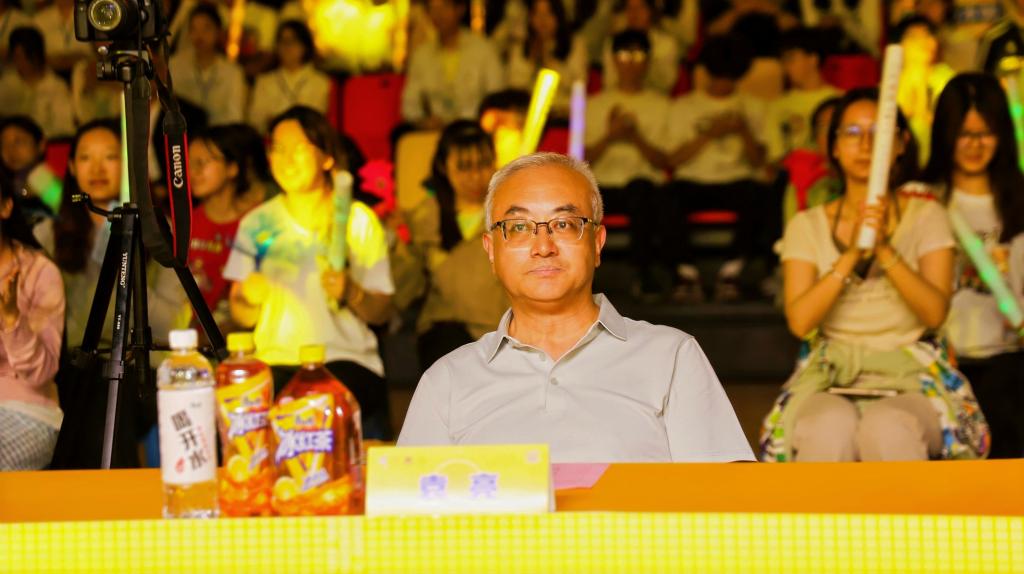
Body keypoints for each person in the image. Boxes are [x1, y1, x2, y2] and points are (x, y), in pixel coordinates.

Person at [397, 152, 754, 464]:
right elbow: (405, 508)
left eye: (564, 224)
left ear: (597, 243)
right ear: (491, 250)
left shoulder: (671, 356)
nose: (543, 246)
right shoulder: (447, 381)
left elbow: (725, 497)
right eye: (518, 227)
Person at [760, 88, 989, 463]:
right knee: (826, 429)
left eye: (878, 132)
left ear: (900, 144)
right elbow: (801, 321)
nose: (865, 144)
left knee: (889, 427)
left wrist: (884, 248)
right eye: (852, 132)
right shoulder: (806, 224)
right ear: (834, 146)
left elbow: (934, 313)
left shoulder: (926, 216)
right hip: (832, 375)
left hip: (911, 377)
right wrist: (852, 254)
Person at [223, 106, 395, 439]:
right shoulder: (257, 223)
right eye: (278, 149)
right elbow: (240, 315)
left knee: (313, 408)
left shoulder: (358, 221)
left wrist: (352, 292)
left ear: (327, 157)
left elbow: (382, 311)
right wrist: (248, 298)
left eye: (299, 148)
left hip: (345, 359)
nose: (286, 159)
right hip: (275, 361)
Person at [922, 73, 1024, 458]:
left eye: (986, 133)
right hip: (940, 364)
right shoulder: (921, 200)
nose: (975, 145)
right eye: (964, 134)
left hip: (1011, 360)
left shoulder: (1019, 202)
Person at [389, 121, 508, 372]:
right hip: (445, 328)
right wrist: (401, 244)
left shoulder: (511, 213)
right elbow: (405, 291)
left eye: (484, 164)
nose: (475, 176)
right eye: (464, 167)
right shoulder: (426, 217)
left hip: (498, 329)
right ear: (444, 167)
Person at [662, 33, 769, 303]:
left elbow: (759, 162)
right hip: (692, 180)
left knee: (759, 195)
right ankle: (686, 273)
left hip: (737, 180)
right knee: (666, 196)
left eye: (730, 78)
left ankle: (731, 272)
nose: (723, 84)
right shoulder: (684, 106)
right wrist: (709, 134)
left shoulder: (754, 106)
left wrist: (743, 130)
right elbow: (672, 160)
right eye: (719, 76)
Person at [584, 30, 669, 297]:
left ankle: (642, 275)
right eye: (623, 54)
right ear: (613, 60)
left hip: (642, 186)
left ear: (649, 60)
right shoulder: (593, 104)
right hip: (599, 186)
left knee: (642, 192)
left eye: (638, 55)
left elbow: (664, 160)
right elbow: (578, 159)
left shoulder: (662, 104)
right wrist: (610, 136)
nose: (630, 62)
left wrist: (634, 136)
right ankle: (582, 281)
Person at [33, 119, 121, 349]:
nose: (97, 169)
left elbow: (169, 319)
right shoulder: (47, 233)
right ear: (72, 166)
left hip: (138, 360)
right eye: (85, 157)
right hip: (70, 360)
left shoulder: (156, 229)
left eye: (110, 157)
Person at [0, 173, 65, 470]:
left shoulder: (39, 272)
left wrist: (12, 319)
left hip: (26, 411)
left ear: (6, 207)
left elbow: (42, 372)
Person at [187, 125, 269, 330]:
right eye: (189, 163)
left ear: (232, 167)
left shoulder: (257, 222)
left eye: (202, 162)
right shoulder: (186, 222)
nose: (193, 172)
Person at [400, 0, 504, 127]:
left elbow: (497, 99)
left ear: (460, 9)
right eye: (432, 9)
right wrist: (424, 121)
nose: (438, 14)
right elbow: (410, 104)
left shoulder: (484, 50)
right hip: (433, 132)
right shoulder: (421, 56)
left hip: (475, 131)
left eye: (444, 7)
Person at [765, 27, 841, 163]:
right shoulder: (778, 105)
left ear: (813, 58)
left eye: (790, 59)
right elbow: (775, 157)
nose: (786, 67)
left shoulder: (839, 99)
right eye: (783, 61)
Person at [167, 4, 248, 126]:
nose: (199, 36)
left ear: (218, 32)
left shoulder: (233, 74)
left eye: (206, 29)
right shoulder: (175, 65)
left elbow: (235, 118)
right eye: (194, 29)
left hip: (217, 134)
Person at [505, 0, 588, 117]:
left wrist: (551, 61)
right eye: (537, 14)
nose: (542, 20)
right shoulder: (521, 46)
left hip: (563, 111)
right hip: (529, 111)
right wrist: (531, 60)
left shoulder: (574, 44)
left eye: (548, 14)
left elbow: (579, 84)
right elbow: (514, 84)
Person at [247, 20, 331, 134]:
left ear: (305, 46)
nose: (287, 47)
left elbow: (317, 119)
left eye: (293, 41)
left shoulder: (321, 83)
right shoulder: (265, 81)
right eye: (282, 41)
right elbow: (255, 120)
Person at [893, 15, 954, 166]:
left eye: (928, 35)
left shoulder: (947, 79)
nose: (924, 42)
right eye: (915, 37)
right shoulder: (892, 84)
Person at [0, 27, 75, 138]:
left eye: (25, 57)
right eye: (17, 57)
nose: (20, 63)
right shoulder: (6, 84)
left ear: (36, 56)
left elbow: (64, 128)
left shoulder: (57, 87)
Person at [600, 0, 679, 94]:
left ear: (651, 11)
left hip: (654, 99)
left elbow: (667, 82)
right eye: (630, 8)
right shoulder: (612, 43)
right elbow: (609, 81)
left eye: (640, 8)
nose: (634, 14)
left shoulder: (666, 44)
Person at [0, 115, 61, 217]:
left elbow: (66, 207)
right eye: (3, 144)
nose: (10, 150)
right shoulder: (6, 185)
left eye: (18, 141)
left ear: (41, 145)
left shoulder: (44, 179)